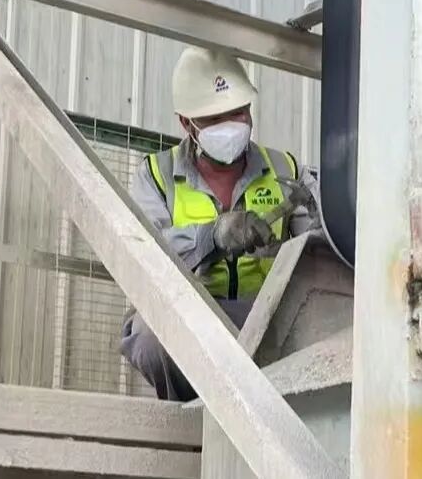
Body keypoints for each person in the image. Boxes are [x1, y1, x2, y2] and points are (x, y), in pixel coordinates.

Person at [120, 46, 319, 401]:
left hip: (265, 316)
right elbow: (145, 255)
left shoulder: (286, 169)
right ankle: (195, 415)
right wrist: (212, 236)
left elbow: (319, 248)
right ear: (186, 123)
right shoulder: (155, 175)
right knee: (151, 337)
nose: (230, 125)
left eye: (238, 113)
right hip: (192, 314)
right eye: (214, 119)